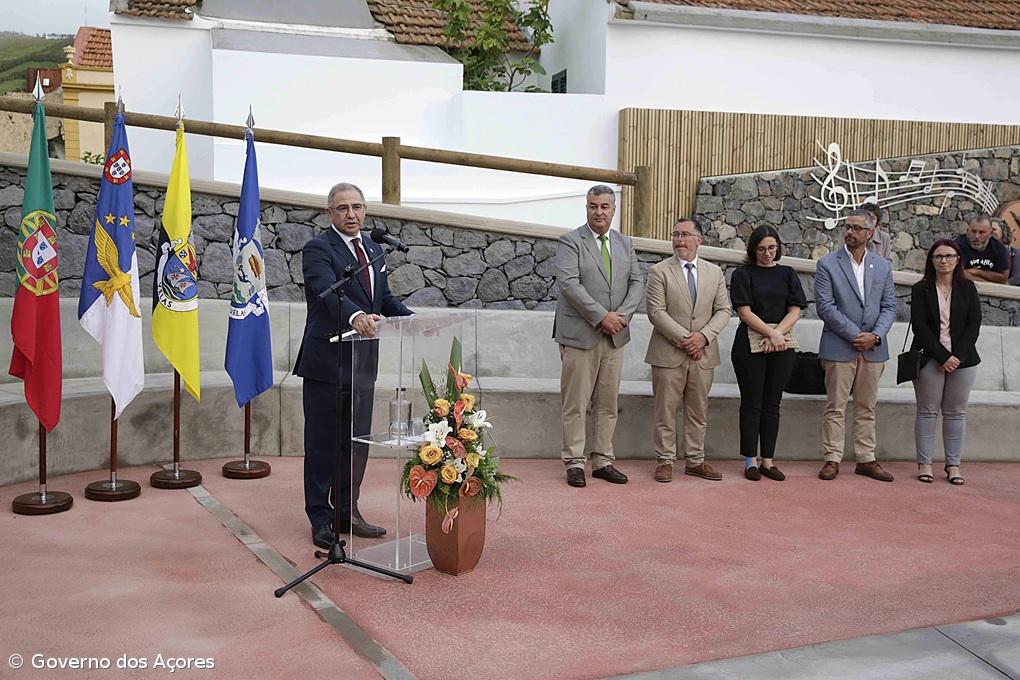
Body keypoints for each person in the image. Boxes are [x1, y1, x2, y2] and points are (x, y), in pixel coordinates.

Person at [295, 182, 413, 549]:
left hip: (362, 363)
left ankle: (348, 511)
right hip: (326, 362)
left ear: (365, 212)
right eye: (343, 208)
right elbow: (326, 291)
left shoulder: (374, 249)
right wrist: (356, 315)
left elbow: (384, 298)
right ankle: (320, 517)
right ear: (330, 213)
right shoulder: (318, 249)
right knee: (322, 443)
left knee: (356, 441)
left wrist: (413, 318)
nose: (351, 214)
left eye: (357, 207)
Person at [553, 185, 644, 488]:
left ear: (614, 209)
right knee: (576, 403)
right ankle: (575, 461)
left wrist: (621, 317)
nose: (599, 212)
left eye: (605, 206)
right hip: (580, 336)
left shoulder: (624, 243)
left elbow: (636, 282)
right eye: (593, 206)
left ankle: (603, 460)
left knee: (607, 403)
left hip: (614, 336)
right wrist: (601, 316)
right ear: (586, 208)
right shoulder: (570, 241)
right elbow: (569, 284)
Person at [645, 218, 732, 482]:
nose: (679, 240)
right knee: (665, 410)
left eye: (684, 235)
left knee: (698, 410)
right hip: (668, 354)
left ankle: (695, 460)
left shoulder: (714, 272)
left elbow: (723, 310)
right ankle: (665, 460)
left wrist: (703, 338)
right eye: (675, 235)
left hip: (703, 355)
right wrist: (687, 340)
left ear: (699, 240)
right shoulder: (659, 271)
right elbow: (656, 312)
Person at [814, 208, 897, 482]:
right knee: (835, 406)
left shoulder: (882, 266)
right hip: (840, 346)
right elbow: (826, 307)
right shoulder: (827, 264)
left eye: (856, 228)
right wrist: (855, 335)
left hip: (874, 349)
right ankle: (832, 458)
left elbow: (889, 306)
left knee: (867, 406)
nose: (850, 232)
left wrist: (875, 335)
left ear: (870, 233)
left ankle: (866, 459)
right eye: (847, 227)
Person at [729, 225, 807, 481]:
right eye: (761, 249)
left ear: (778, 248)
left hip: (781, 345)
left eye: (771, 248)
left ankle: (768, 460)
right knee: (752, 403)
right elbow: (744, 310)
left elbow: (796, 309)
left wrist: (778, 334)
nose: (767, 253)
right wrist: (770, 333)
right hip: (750, 345)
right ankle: (750, 460)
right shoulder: (742, 273)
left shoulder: (787, 273)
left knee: (773, 403)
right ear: (753, 249)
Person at [909, 240, 981, 485]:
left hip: (964, 359)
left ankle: (953, 466)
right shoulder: (921, 289)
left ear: (958, 259)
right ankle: (925, 463)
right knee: (927, 411)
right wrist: (943, 357)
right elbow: (920, 327)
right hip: (930, 357)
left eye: (949, 256)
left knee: (956, 413)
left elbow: (974, 325)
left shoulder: (968, 287)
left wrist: (957, 357)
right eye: (938, 256)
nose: (944, 260)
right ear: (931, 260)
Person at [954, 215, 1009, 284]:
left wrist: (976, 271)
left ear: (990, 234)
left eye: (982, 232)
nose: (977, 236)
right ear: (967, 232)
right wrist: (985, 282)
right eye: (973, 231)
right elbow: (958, 273)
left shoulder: (999, 248)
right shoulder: (957, 246)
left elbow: (1004, 278)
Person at [990, 220, 1020, 286]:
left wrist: (998, 286)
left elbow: (1017, 278)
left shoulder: (1014, 253)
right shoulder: (982, 251)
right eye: (988, 229)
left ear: (1003, 232)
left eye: (994, 229)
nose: (990, 231)